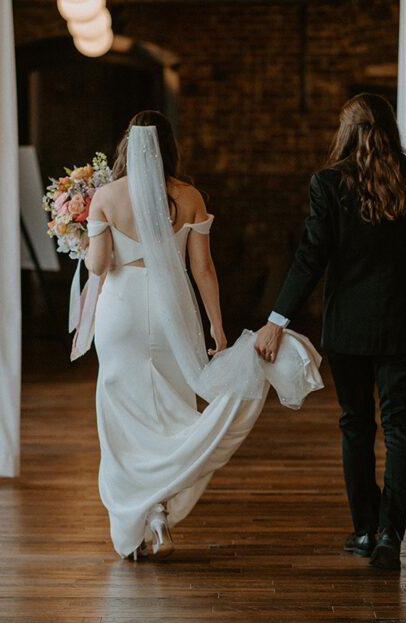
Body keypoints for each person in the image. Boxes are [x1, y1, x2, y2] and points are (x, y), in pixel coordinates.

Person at [84, 111, 322, 561]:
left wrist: (87, 235)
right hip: (174, 310)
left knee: (124, 414)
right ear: (168, 146)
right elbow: (203, 269)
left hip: (122, 315)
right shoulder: (189, 197)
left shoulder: (106, 196)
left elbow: (98, 267)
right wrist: (217, 325)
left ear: (127, 146)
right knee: (173, 409)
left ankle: (143, 516)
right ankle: (160, 511)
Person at [254, 93, 406, 571]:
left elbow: (311, 257)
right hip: (400, 328)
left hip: (346, 330)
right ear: (391, 129)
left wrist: (276, 320)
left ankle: (366, 530)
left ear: (346, 133)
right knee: (400, 427)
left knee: (355, 425)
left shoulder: (328, 184)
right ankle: (391, 533)